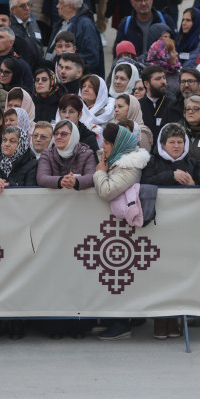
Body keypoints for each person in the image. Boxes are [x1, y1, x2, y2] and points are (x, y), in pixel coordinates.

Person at [92, 122, 150, 340]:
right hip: (111, 232)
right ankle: (114, 319)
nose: (103, 146)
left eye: (107, 143)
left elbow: (107, 191)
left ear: (118, 144)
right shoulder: (114, 158)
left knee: (119, 278)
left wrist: (100, 172)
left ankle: (121, 324)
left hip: (124, 233)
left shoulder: (130, 165)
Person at [36, 119, 97, 190]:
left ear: (73, 136)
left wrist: (75, 181)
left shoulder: (86, 153)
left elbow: (92, 177)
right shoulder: (47, 154)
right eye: (56, 133)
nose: (58, 137)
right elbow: (41, 178)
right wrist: (61, 180)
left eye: (64, 134)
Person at [0, 126, 38, 193]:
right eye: (4, 140)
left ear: (21, 144)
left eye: (12, 141)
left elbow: (31, 191)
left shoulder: (32, 164)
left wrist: (10, 186)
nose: (7, 144)